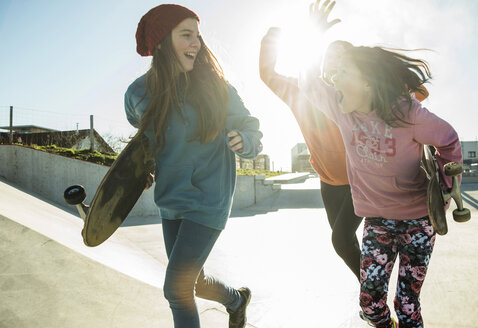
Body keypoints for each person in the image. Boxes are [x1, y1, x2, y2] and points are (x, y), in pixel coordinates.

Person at [298, 1, 462, 327]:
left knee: (406, 305)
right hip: (377, 222)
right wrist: (313, 37)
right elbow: (308, 82)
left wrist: (445, 182)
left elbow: (448, 140)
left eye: (342, 74)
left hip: (419, 223)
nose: (334, 79)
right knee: (370, 305)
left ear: (367, 82)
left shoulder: (407, 112)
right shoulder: (342, 108)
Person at [258, 3, 428, 282]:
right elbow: (268, 74)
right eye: (331, 56)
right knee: (345, 243)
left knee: (339, 239)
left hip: (363, 178)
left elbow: (417, 93)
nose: (336, 61)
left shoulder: (366, 96)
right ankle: (372, 292)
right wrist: (273, 39)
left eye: (344, 58)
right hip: (329, 181)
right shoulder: (300, 90)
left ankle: (372, 295)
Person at [124, 4, 263, 328]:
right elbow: (145, 140)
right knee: (194, 282)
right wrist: (142, 169)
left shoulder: (217, 89)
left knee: (177, 288)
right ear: (160, 42)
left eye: (198, 36)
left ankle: (235, 301)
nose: (196, 43)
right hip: (171, 200)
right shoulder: (138, 94)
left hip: (208, 199)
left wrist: (245, 139)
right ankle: (236, 299)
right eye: (186, 35)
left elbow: (251, 128)